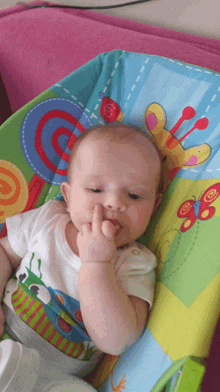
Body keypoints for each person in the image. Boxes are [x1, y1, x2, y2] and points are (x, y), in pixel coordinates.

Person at [0, 123, 162, 391]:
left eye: (134, 195)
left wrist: (97, 264)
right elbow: (4, 252)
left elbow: (116, 341)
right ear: (68, 196)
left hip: (51, 380)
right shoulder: (48, 220)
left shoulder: (135, 263)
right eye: (96, 190)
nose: (113, 202)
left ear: (154, 207)